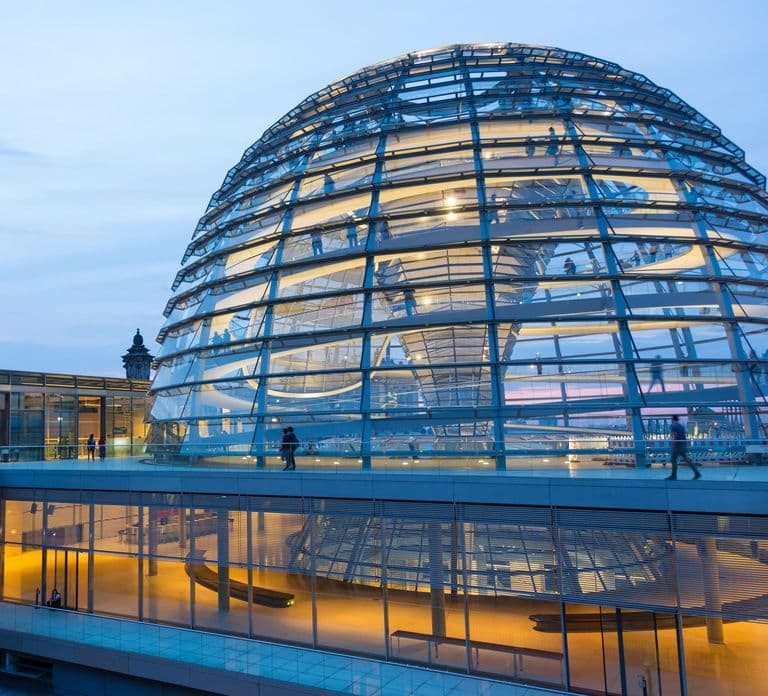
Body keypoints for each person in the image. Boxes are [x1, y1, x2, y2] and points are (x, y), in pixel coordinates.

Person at [666, 415, 702, 480]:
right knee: (687, 460)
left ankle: (674, 475)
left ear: (672, 419)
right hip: (683, 444)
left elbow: (674, 435)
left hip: (677, 445)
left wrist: (673, 444)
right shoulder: (681, 426)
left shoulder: (673, 425)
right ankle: (697, 473)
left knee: (673, 459)